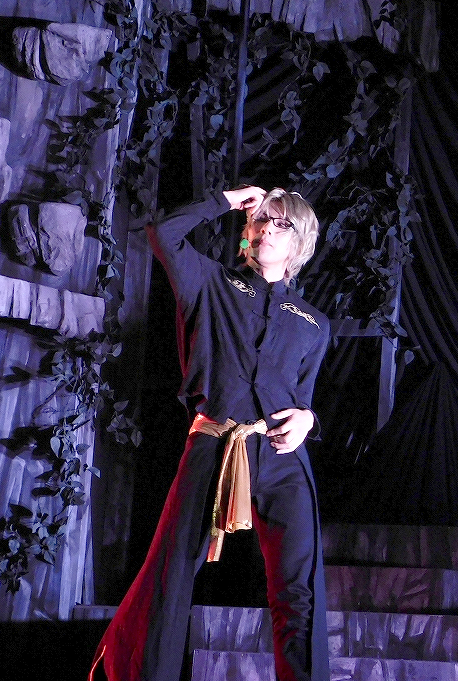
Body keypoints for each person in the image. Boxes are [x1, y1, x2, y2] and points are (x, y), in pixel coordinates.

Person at [90, 185, 331, 681]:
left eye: (281, 223)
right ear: (246, 230)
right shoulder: (211, 282)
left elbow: (303, 398)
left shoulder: (313, 323)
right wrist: (228, 200)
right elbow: (163, 234)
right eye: (260, 219)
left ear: (300, 242)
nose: (266, 229)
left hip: (281, 458)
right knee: (172, 573)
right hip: (214, 444)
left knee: (299, 589)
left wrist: (309, 420)